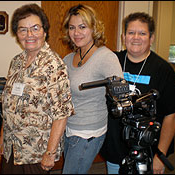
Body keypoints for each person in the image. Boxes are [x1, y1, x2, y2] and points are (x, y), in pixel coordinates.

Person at [100, 12, 175, 174]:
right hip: (116, 148)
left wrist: (161, 154)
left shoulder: (162, 70)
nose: (136, 37)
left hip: (148, 152)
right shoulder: (111, 61)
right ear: (123, 36)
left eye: (142, 33)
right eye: (131, 33)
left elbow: (172, 115)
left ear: (151, 38)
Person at [0, 3, 75, 174]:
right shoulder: (16, 62)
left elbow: (61, 114)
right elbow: (10, 104)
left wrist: (50, 153)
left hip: (36, 153)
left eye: (35, 28)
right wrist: (3, 138)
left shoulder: (54, 65)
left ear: (45, 31)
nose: (29, 34)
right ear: (17, 34)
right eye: (23, 29)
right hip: (12, 148)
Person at [61, 4, 124, 174]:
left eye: (83, 27)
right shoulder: (68, 59)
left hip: (88, 132)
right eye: (72, 27)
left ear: (94, 28)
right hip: (69, 128)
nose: (76, 33)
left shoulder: (105, 57)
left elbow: (121, 93)